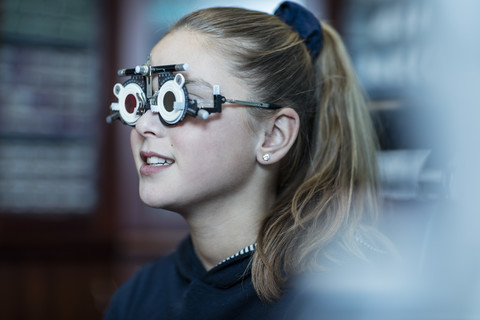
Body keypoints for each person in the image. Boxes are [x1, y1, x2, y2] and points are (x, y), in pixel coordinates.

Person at [105, 2, 394, 319]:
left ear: (274, 135)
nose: (144, 125)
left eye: (176, 101)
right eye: (142, 100)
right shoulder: (137, 297)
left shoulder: (337, 301)